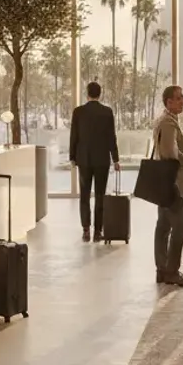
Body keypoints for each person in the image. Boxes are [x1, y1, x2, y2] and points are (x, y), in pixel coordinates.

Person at [153, 85, 183, 287]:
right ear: (169, 102)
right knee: (180, 225)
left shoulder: (165, 120)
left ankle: (162, 269)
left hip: (162, 182)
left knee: (163, 225)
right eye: (179, 98)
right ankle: (171, 270)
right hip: (173, 183)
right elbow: (171, 154)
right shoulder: (168, 123)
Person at [69, 81, 121, 243]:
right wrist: (116, 159)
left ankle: (86, 229)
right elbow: (111, 137)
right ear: (100, 94)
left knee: (84, 195)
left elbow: (74, 136)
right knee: (100, 195)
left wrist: (72, 157)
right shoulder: (107, 112)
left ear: (87, 93)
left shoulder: (78, 112)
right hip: (102, 160)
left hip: (83, 159)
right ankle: (98, 231)